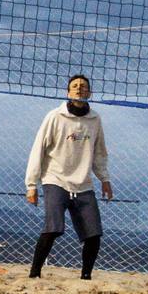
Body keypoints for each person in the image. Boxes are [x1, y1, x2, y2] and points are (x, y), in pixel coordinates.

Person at [25, 74, 113, 280]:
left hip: (83, 183)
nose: (79, 88)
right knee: (53, 228)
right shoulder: (55, 117)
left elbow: (100, 152)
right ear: (68, 92)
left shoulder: (95, 119)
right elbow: (38, 149)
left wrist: (105, 179)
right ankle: (35, 274)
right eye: (75, 86)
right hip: (55, 179)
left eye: (83, 86)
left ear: (89, 93)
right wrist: (31, 184)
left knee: (94, 235)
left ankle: (85, 277)